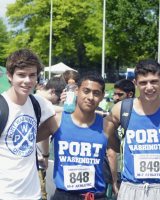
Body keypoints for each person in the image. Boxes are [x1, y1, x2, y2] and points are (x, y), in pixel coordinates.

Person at [105, 59, 160, 200]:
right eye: (143, 83)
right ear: (135, 83)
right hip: (131, 188)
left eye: (154, 81)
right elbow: (102, 137)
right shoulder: (122, 109)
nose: (149, 87)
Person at [37, 72, 117, 200]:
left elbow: (113, 154)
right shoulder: (57, 121)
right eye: (86, 91)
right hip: (64, 195)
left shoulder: (107, 126)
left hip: (95, 195)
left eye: (96, 93)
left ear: (102, 97)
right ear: (76, 91)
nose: (90, 97)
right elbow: (29, 139)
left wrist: (114, 182)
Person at [0, 49, 55, 199]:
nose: (27, 81)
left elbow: (55, 123)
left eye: (32, 75)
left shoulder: (39, 103)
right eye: (21, 75)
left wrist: (45, 154)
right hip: (5, 193)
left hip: (33, 193)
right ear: (10, 76)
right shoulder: (2, 106)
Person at [35, 76, 67, 200]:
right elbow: (46, 135)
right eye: (58, 98)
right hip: (39, 159)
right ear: (52, 91)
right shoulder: (44, 104)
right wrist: (46, 155)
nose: (57, 100)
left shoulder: (32, 98)